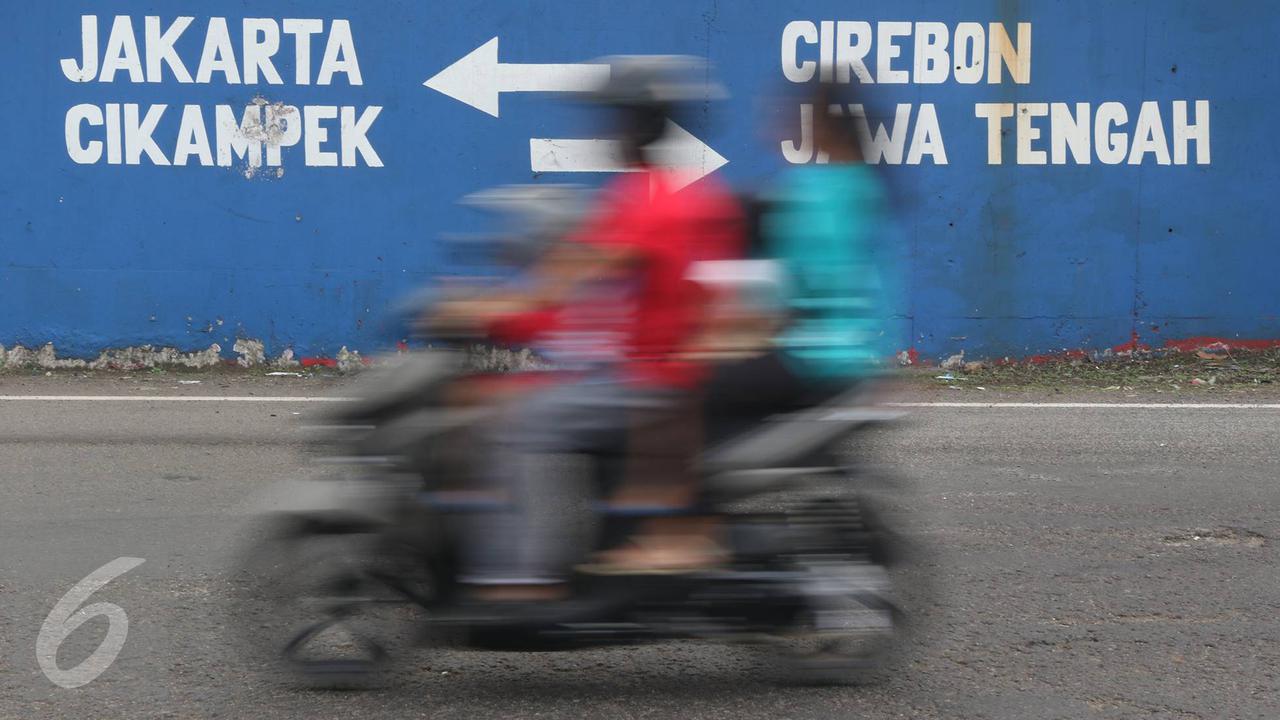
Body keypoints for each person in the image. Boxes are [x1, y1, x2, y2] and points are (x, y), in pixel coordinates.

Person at [439, 56, 743, 599]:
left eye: (616, 122)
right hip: (642, 367)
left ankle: (519, 576)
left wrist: (480, 311)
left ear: (632, 126)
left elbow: (569, 278)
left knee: (516, 422)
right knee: (514, 395)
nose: (608, 134)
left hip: (648, 379)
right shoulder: (669, 193)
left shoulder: (649, 204)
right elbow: (579, 295)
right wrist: (512, 316)